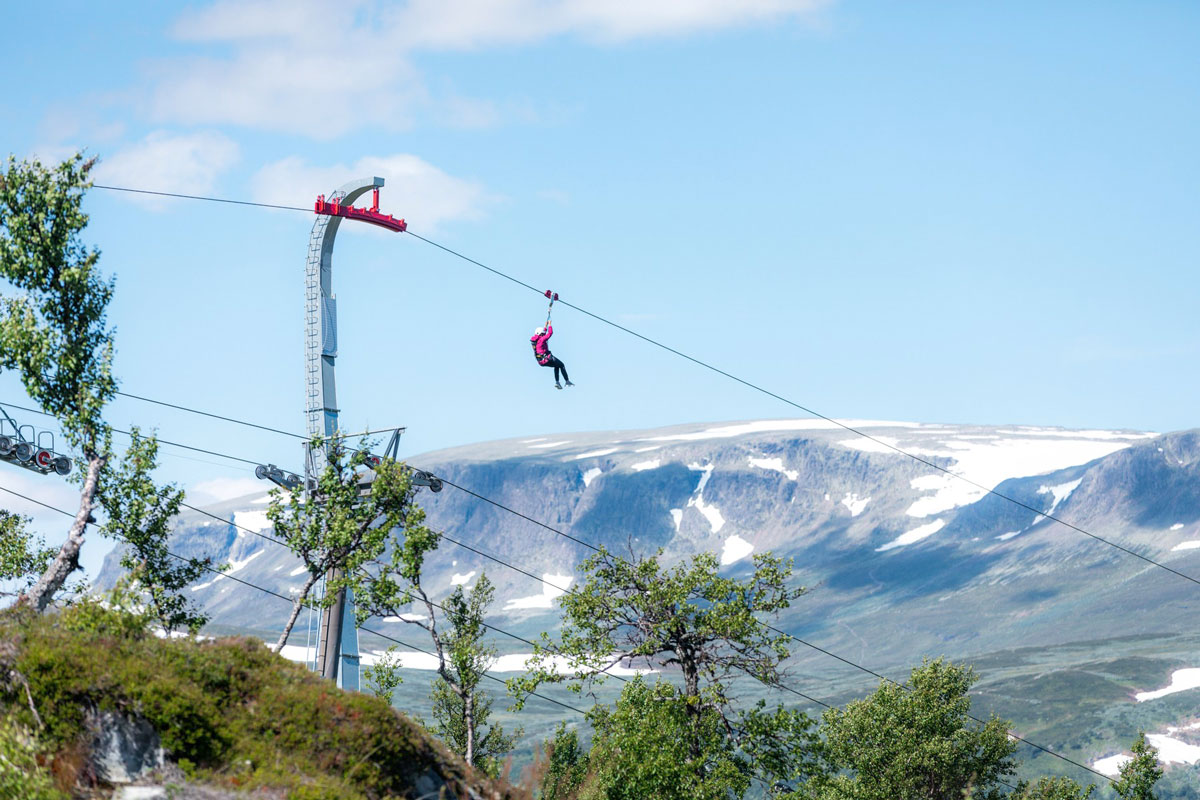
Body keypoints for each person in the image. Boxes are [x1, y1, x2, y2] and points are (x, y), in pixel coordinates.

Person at [530, 324, 573, 389]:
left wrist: (545, 326)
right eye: (543, 333)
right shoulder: (542, 340)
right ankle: (567, 381)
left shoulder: (536, 341)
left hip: (541, 361)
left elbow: (543, 334)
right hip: (547, 358)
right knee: (562, 365)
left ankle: (557, 383)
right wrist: (550, 325)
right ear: (540, 334)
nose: (544, 334)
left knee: (557, 365)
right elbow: (550, 333)